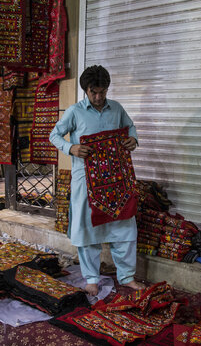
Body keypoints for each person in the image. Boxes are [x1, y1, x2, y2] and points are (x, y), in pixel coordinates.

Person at [49, 65, 145, 296]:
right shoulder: (75, 112)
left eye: (102, 92)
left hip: (117, 179)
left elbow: (130, 128)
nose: (99, 97)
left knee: (123, 227)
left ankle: (127, 277)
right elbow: (54, 135)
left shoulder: (117, 109)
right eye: (94, 92)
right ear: (86, 90)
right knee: (88, 228)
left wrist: (133, 139)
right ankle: (91, 278)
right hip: (85, 180)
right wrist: (71, 147)